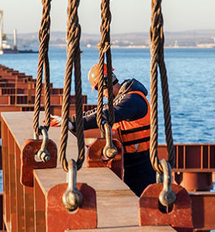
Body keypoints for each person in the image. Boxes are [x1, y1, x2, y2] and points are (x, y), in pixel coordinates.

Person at [51, 64, 156, 196]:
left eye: (98, 89)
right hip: (130, 161)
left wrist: (73, 125)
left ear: (106, 83)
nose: (102, 94)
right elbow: (98, 112)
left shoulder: (132, 100)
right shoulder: (120, 99)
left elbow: (106, 115)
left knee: (144, 199)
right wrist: (68, 120)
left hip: (141, 164)